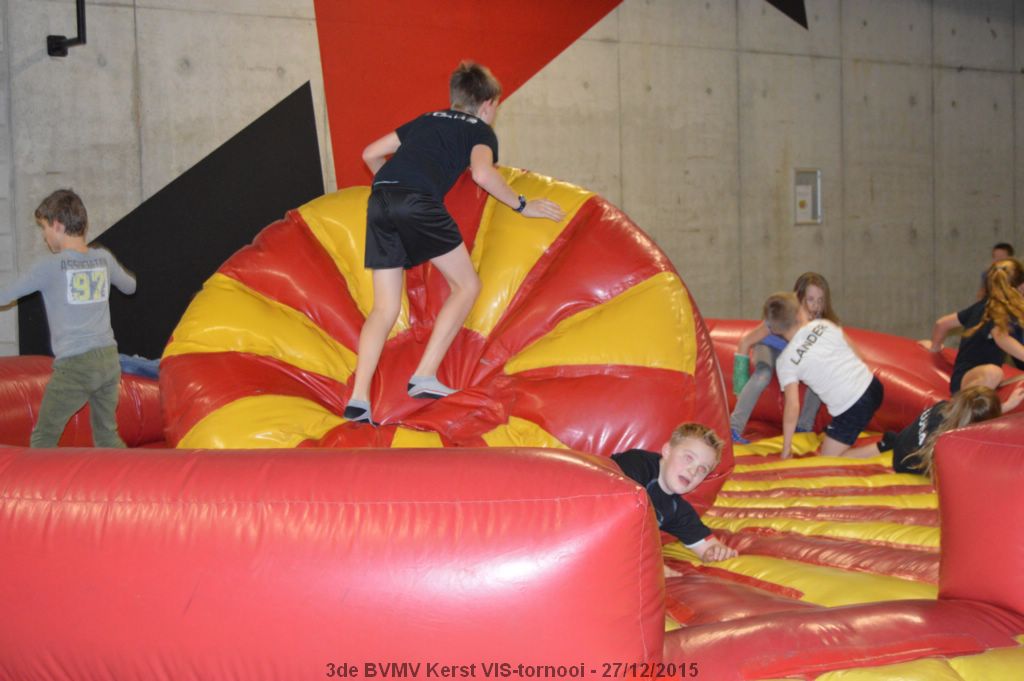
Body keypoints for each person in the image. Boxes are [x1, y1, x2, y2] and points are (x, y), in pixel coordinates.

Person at [344, 60, 565, 424]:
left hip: (380, 200)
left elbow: (370, 153)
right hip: (417, 201)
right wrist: (522, 205)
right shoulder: (480, 131)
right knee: (467, 285)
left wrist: (393, 188)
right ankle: (425, 374)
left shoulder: (427, 118)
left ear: (455, 98)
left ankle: (358, 399)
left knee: (384, 310)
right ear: (489, 105)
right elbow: (481, 173)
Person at [0, 189, 137, 447]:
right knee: (107, 435)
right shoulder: (103, 258)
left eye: (45, 228)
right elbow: (130, 286)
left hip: (75, 365)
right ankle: (134, 483)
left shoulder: (50, 266)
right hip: (108, 360)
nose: (44, 236)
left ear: (58, 225)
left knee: (44, 437)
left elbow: (5, 294)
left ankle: (35, 487)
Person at [764, 292, 884, 459]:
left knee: (828, 458)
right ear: (799, 313)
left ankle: (885, 445)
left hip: (853, 405)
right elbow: (859, 355)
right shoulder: (823, 324)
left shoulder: (786, 361)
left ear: (773, 329)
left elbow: (792, 407)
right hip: (873, 386)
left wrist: (786, 447)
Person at [730, 272, 837, 443]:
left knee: (818, 379)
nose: (815, 306)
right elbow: (745, 342)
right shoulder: (785, 314)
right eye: (810, 299)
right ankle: (734, 428)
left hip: (791, 356)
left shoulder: (820, 324)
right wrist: (739, 385)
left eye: (820, 300)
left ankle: (803, 429)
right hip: (768, 348)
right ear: (798, 298)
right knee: (763, 374)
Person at [612, 423, 738, 563]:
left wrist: (716, 551)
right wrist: (649, 565)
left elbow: (706, 545)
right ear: (667, 451)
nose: (693, 471)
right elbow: (616, 518)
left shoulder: (676, 508)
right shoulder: (636, 464)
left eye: (702, 469)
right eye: (689, 458)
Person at [841, 383, 1024, 478]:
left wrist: (1006, 406)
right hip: (905, 465)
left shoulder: (943, 406)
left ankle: (885, 444)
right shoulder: (953, 437)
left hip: (902, 442)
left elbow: (969, 412)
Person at [925, 257, 1024, 393]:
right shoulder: (999, 310)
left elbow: (942, 323)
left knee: (1004, 375)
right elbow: (1002, 338)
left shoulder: (982, 306)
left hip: (978, 378)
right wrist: (933, 353)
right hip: (966, 381)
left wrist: (934, 347)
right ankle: (972, 407)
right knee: (994, 372)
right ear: (1021, 287)